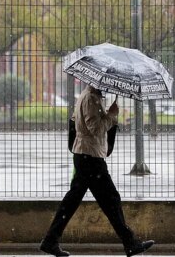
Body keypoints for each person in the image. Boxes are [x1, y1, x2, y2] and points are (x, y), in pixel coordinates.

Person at [40, 84, 154, 257]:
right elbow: (96, 129)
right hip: (90, 157)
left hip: (85, 155)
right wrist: (112, 115)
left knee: (73, 201)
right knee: (111, 199)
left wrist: (107, 113)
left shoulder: (89, 97)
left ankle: (50, 240)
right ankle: (130, 243)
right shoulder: (90, 99)